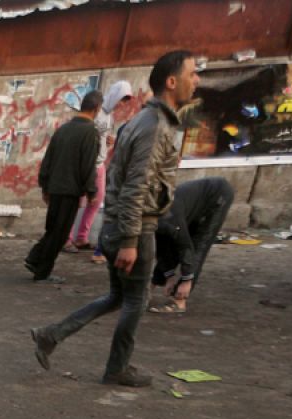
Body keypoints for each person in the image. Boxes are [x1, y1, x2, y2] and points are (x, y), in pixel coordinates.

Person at [31, 50, 200, 388]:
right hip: (134, 229)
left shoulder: (140, 121)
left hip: (117, 225)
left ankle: (52, 334)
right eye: (192, 74)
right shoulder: (153, 126)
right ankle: (117, 368)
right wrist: (130, 240)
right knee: (136, 300)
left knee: (118, 297)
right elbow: (137, 185)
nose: (196, 81)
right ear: (171, 81)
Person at [26, 90, 102, 284]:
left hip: (55, 187)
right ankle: (41, 270)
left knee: (53, 229)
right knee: (59, 233)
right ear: (96, 109)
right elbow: (88, 164)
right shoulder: (90, 132)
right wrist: (92, 190)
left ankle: (35, 259)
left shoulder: (63, 129)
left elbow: (48, 159)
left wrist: (44, 185)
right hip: (70, 190)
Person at [146, 177, 233, 315]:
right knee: (167, 243)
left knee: (199, 243)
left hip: (217, 197)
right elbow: (162, 248)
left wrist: (187, 279)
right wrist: (169, 276)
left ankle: (180, 301)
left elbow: (185, 247)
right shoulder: (151, 218)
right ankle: (148, 290)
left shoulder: (168, 218)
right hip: (189, 207)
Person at [71, 81, 135, 251]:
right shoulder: (96, 112)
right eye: (122, 99)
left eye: (125, 101)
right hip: (87, 163)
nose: (122, 104)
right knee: (77, 201)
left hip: (99, 164)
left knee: (96, 200)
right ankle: (67, 238)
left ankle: (81, 237)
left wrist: (110, 141)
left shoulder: (109, 116)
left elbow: (105, 136)